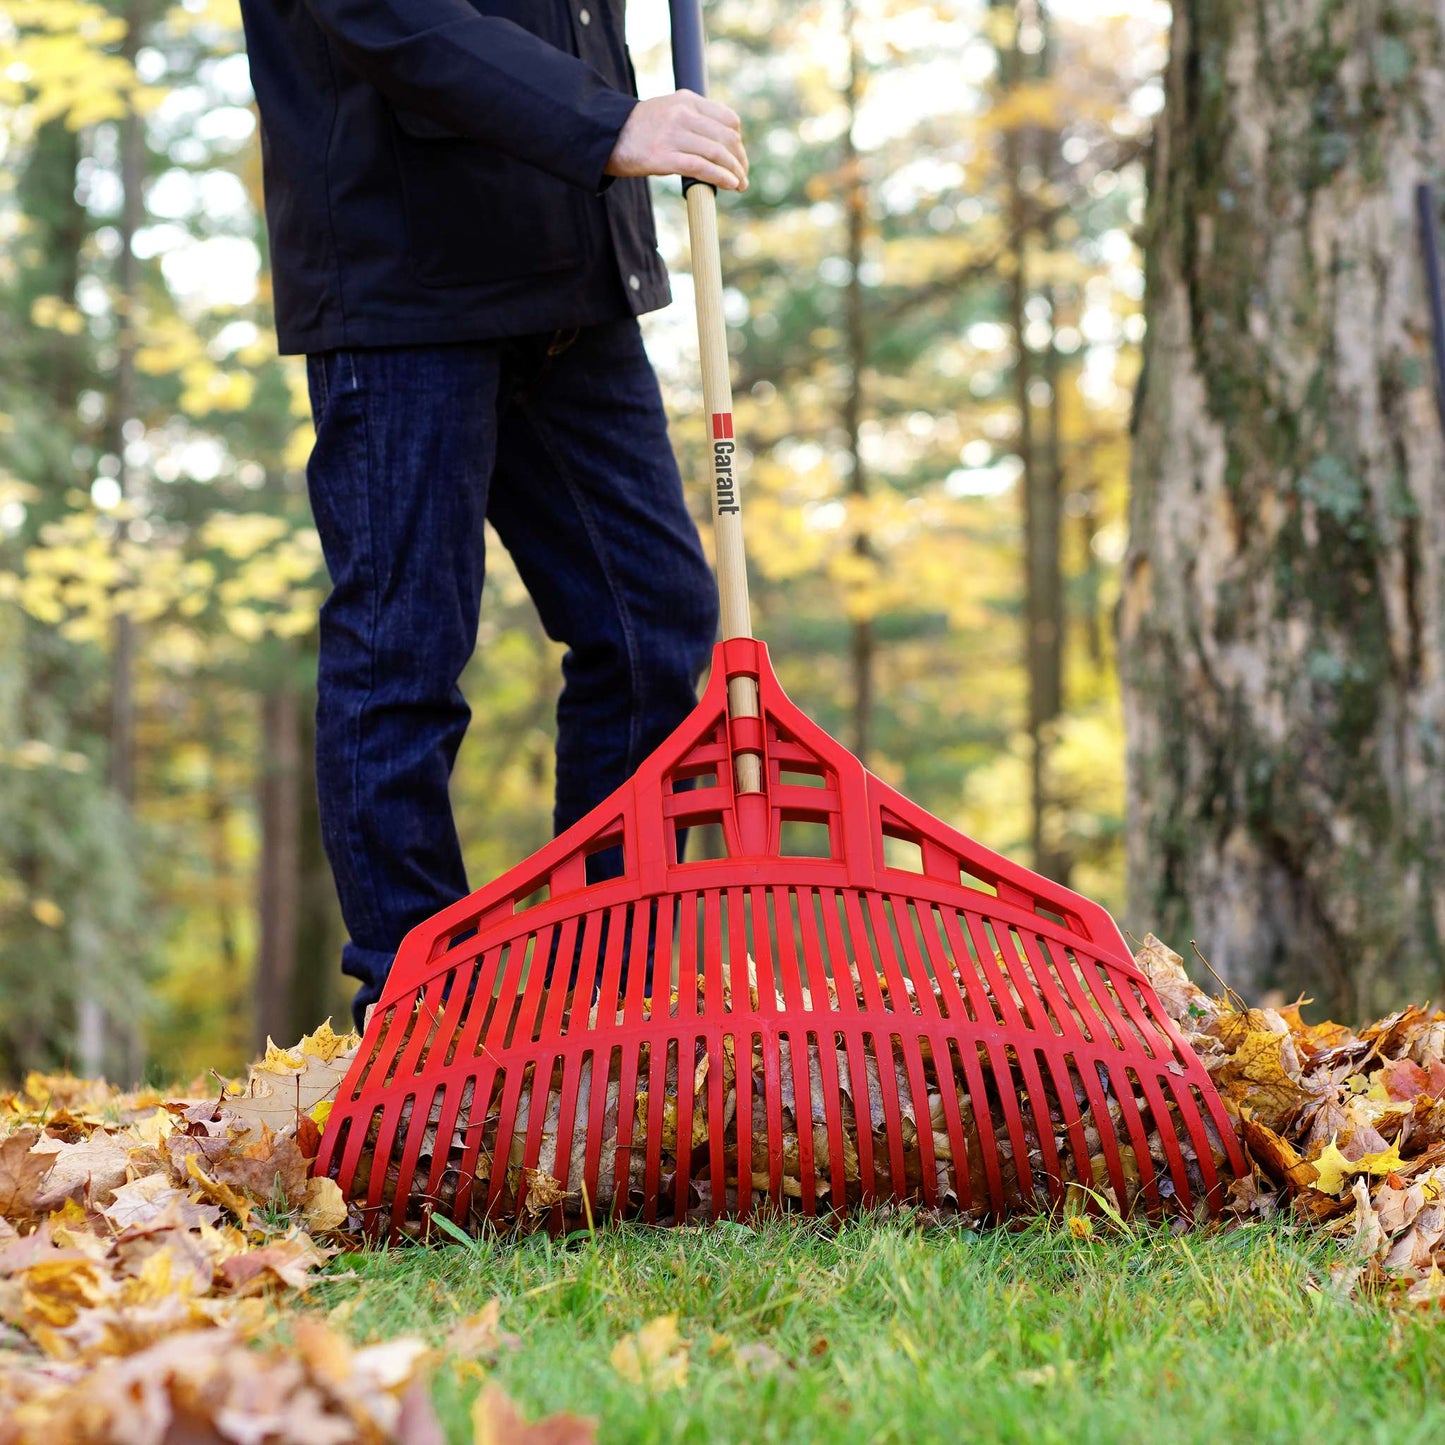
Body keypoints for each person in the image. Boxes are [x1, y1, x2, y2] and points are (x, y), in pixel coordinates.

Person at [236, 0, 749, 1028]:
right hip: (404, 277)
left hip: (574, 274)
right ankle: (418, 1015)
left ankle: (609, 1004)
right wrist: (602, 123)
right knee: (403, 652)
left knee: (651, 621)